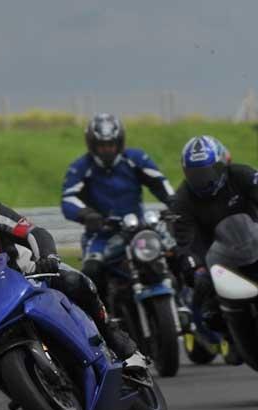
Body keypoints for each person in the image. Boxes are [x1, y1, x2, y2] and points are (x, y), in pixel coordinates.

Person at [0, 170, 146, 385]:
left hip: (28, 277)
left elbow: (34, 233)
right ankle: (17, 382)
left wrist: (47, 257)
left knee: (76, 283)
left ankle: (120, 343)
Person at [61, 113, 175, 299]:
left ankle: (183, 303)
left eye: (111, 144)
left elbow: (160, 183)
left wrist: (174, 203)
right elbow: (68, 199)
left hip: (138, 228)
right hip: (101, 235)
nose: (107, 150)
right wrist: (87, 215)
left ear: (120, 143)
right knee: (92, 271)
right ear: (92, 145)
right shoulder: (81, 167)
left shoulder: (135, 158)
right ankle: (104, 320)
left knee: (174, 252)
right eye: (102, 145)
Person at [172, 135, 258, 321]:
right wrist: (196, 269)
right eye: (196, 175)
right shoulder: (182, 200)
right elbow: (185, 241)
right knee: (209, 315)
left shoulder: (243, 175)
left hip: (253, 248)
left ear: (222, 165)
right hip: (219, 264)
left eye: (209, 172)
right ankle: (223, 343)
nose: (204, 180)